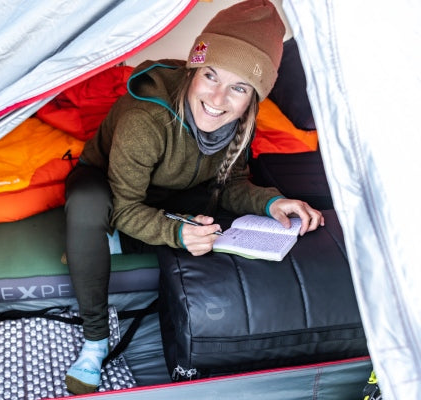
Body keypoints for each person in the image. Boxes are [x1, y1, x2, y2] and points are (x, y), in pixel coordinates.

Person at [63, 0, 324, 394]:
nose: (218, 99)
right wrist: (175, 232)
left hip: (176, 189)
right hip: (111, 186)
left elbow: (232, 184)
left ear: (252, 97)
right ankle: (95, 341)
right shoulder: (145, 120)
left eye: (238, 87)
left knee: (213, 216)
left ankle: (120, 239)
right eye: (211, 76)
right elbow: (125, 203)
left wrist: (273, 202)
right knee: (88, 207)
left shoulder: (242, 121)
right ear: (195, 69)